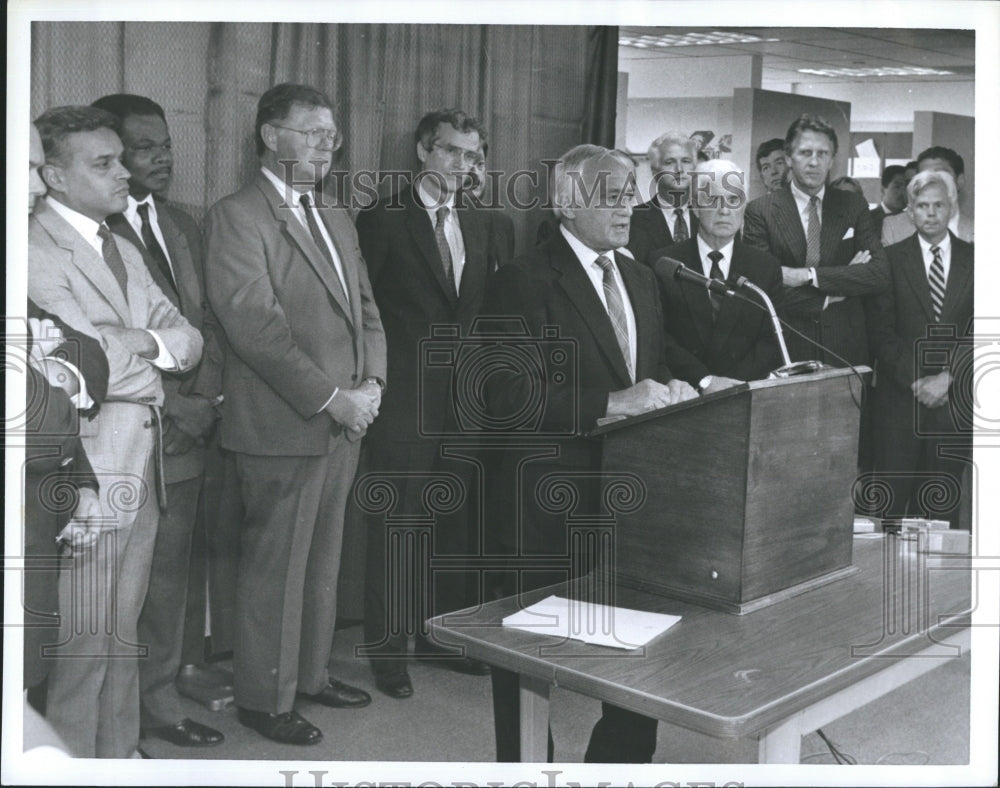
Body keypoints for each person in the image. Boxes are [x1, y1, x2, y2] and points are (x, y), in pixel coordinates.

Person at [483, 144, 698, 763]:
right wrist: (613, 400)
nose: (626, 204)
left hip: (632, 507)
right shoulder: (522, 280)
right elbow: (504, 394)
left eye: (629, 190)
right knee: (528, 668)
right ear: (566, 203)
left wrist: (676, 389)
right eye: (609, 192)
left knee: (638, 663)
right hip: (546, 504)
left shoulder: (639, 276)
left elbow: (649, 371)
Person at [204, 82, 386, 746]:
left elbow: (367, 310)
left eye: (331, 135)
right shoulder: (237, 215)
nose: (326, 146)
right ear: (269, 137)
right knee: (275, 569)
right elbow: (256, 330)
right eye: (311, 132)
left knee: (323, 562)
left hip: (344, 421)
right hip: (285, 425)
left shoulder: (336, 214)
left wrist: (372, 387)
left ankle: (309, 676)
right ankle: (264, 696)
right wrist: (336, 400)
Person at [29, 105, 203, 758]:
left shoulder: (122, 243)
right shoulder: (34, 248)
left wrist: (129, 345)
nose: (123, 172)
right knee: (82, 643)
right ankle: (74, 762)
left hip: (140, 462)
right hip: (88, 474)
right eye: (103, 164)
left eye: (120, 159)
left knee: (121, 633)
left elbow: (191, 339)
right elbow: (84, 365)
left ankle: (120, 755)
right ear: (53, 175)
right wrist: (148, 352)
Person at [355, 109, 509, 700]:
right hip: (403, 399)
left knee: (455, 526)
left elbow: (490, 316)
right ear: (423, 151)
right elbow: (367, 313)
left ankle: (442, 637)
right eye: (450, 152)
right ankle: (388, 652)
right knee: (398, 525)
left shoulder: (492, 222)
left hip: (464, 401)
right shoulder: (383, 218)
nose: (461, 166)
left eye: (473, 157)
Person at [92, 93, 225, 748]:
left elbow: (207, 327)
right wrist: (174, 407)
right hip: (126, 436)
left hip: (189, 435)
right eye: (145, 147)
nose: (162, 158)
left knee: (169, 579)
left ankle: (159, 695)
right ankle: (115, 720)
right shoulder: (88, 234)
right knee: (113, 593)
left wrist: (207, 406)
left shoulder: (183, 224)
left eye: (166, 144)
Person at [867, 169, 973, 529]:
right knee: (892, 514)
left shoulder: (977, 259)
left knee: (942, 516)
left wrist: (948, 377)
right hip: (900, 405)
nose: (930, 213)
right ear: (909, 211)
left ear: (951, 207)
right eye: (922, 205)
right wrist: (917, 381)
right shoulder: (890, 259)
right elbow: (881, 332)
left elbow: (982, 328)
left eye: (938, 205)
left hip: (952, 405)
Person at [743, 114, 888, 368]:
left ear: (832, 159)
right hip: (789, 345)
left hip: (845, 347)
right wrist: (833, 294)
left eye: (822, 154)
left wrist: (807, 276)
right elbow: (763, 288)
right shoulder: (761, 211)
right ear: (789, 158)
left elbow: (878, 273)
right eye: (805, 152)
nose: (814, 162)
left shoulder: (852, 205)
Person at [650, 159, 783, 388]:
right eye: (712, 199)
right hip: (685, 393)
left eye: (733, 199)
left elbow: (772, 340)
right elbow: (660, 338)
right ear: (694, 206)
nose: (724, 210)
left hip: (744, 390)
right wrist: (706, 381)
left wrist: (734, 385)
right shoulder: (664, 263)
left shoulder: (765, 266)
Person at [627, 131, 699, 265]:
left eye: (686, 161)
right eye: (670, 162)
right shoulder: (633, 219)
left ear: (694, 168)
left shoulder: (707, 217)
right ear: (655, 171)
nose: (679, 169)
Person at [882, 146, 974, 245]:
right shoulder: (894, 228)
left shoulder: (975, 229)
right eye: (924, 175)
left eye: (941, 174)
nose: (932, 181)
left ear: (959, 181)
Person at [869, 164, 908, 237]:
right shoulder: (868, 219)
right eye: (897, 187)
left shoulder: (911, 220)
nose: (902, 192)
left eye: (906, 188)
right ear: (883, 189)